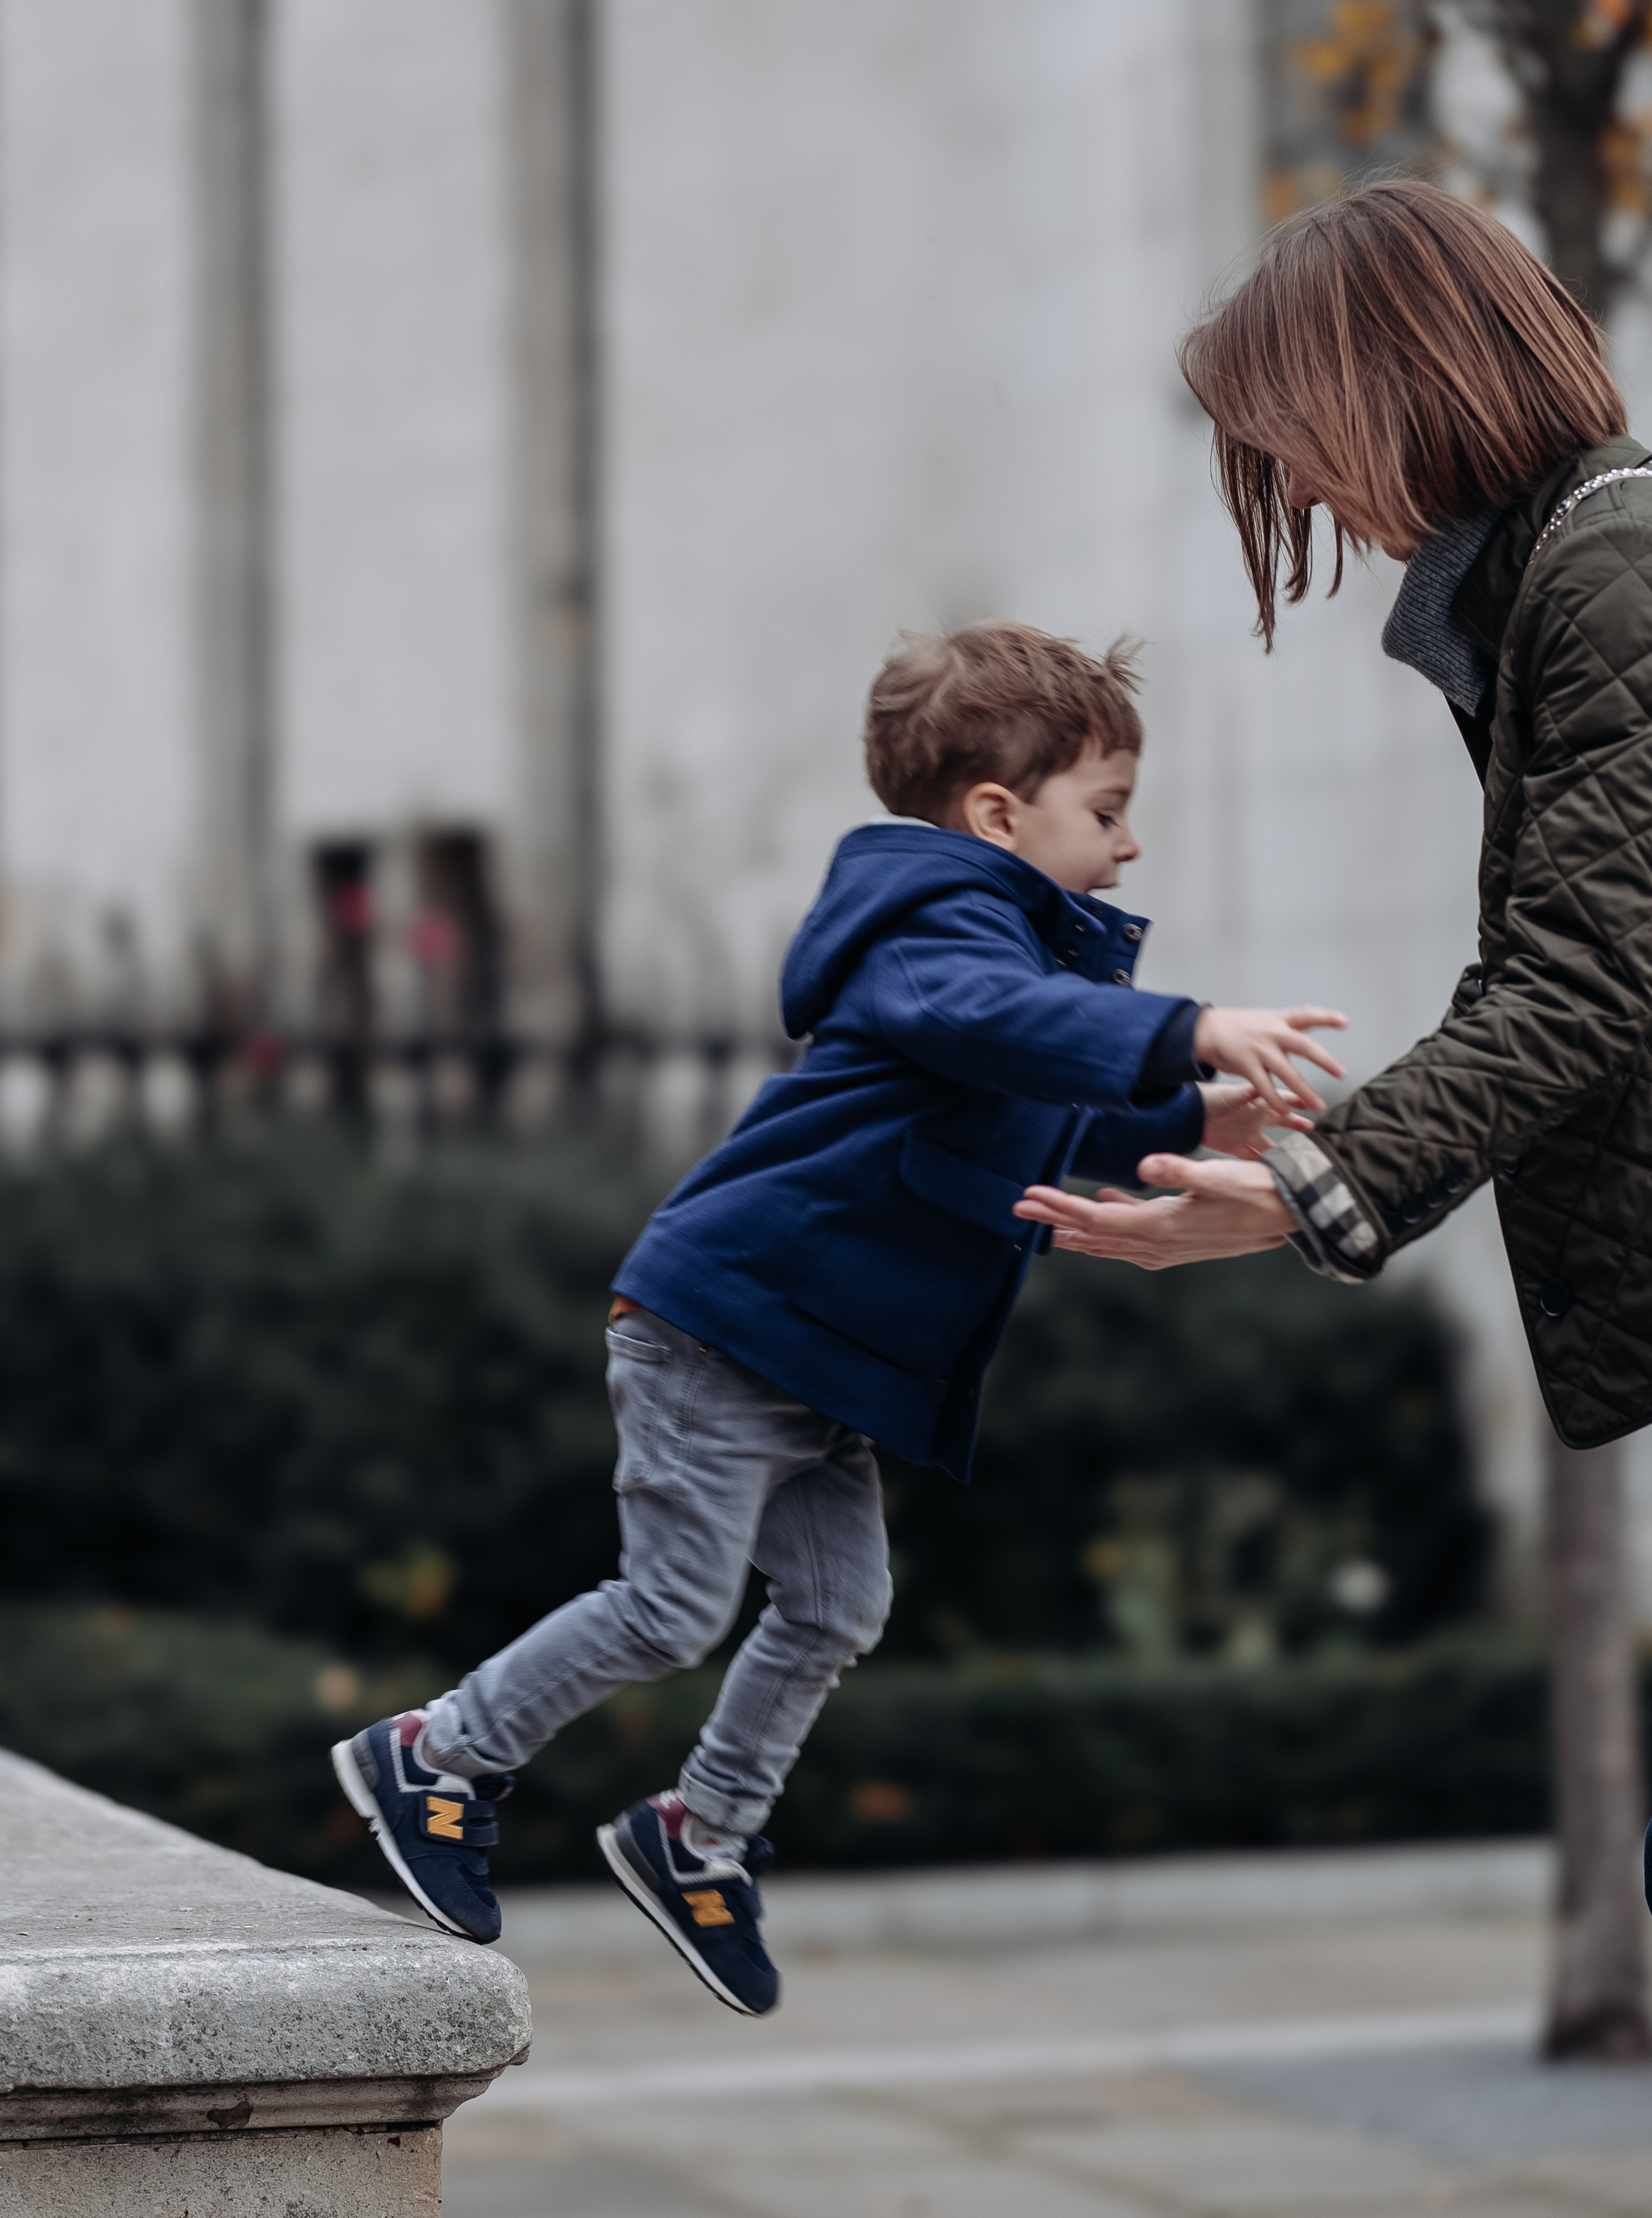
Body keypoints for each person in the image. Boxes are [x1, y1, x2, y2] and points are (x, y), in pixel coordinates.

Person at [333, 620, 1342, 2011]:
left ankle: (698, 1833)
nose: (1127, 850)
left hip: (823, 1362)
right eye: (1105, 814)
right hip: (725, 1326)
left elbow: (1015, 1089)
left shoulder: (1005, 963)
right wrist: (1179, 1029)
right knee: (673, 1602)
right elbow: (987, 1018)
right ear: (996, 814)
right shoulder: (933, 928)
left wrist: (1179, 1112)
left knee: (838, 1605)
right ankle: (437, 1755)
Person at [1015, 179, 1652, 1458]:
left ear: (1394, 386)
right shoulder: (1567, 577)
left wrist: (1312, 1187)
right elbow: (1554, 962)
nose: (1294, 495)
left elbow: (1588, 982)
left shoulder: (1607, 578)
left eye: (1291, 439)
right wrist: (1323, 1174)